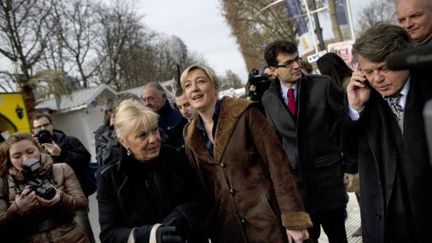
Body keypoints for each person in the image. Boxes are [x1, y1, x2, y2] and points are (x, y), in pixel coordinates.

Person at [180, 64, 312, 243]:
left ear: (216, 87)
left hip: (269, 223)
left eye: (201, 81)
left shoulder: (245, 113)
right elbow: (203, 188)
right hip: (229, 231)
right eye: (187, 85)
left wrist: (294, 220)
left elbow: (279, 166)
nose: (194, 88)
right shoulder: (190, 135)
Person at [345, 23, 432, 243]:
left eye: (384, 68)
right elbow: (348, 155)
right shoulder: (362, 101)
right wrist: (355, 110)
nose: (377, 79)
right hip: (388, 224)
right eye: (368, 72)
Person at [261, 40, 352, 243]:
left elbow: (345, 126)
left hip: (329, 184)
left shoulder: (323, 86)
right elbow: (276, 143)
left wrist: (349, 165)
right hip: (298, 191)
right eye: (288, 63)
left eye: (297, 60)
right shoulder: (269, 99)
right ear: (273, 70)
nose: (296, 66)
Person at [96, 99, 208, 243]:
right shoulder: (110, 177)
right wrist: (150, 234)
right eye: (142, 135)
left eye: (155, 130)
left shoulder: (175, 157)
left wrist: (182, 214)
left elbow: (201, 197)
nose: (153, 139)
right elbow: (109, 234)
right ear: (124, 141)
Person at [0, 132, 89, 242]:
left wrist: (61, 198)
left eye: (30, 152)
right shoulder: (3, 182)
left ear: (39, 150)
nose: (26, 158)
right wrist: (16, 209)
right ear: (9, 159)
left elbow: (83, 205)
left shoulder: (61, 169)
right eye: (17, 156)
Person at [31, 113, 95, 242]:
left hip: (73, 196)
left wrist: (61, 153)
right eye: (38, 127)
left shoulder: (69, 141)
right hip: (46, 200)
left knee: (83, 233)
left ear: (52, 125)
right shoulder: (32, 149)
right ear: (33, 130)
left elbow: (85, 159)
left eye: (45, 125)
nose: (42, 129)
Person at [141, 82, 184, 147]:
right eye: (144, 100)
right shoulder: (145, 124)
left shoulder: (181, 117)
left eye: (150, 99)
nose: (147, 103)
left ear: (163, 96)